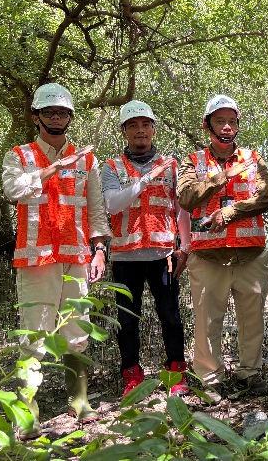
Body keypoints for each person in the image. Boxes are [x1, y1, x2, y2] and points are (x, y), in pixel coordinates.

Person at [2, 82, 112, 437]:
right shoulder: (19, 155)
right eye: (49, 112)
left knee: (77, 330)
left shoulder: (88, 160)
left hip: (77, 255)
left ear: (70, 118)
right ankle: (27, 417)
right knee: (34, 335)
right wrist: (53, 168)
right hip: (37, 260)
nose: (56, 118)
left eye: (62, 112)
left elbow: (96, 208)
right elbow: (14, 190)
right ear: (36, 117)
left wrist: (99, 249)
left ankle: (79, 402)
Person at [176, 94, 268, 402]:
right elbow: (186, 198)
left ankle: (250, 373)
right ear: (208, 126)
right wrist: (221, 179)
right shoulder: (192, 161)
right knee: (207, 320)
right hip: (208, 256)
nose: (227, 126)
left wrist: (230, 212)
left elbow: (265, 197)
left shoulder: (253, 158)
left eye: (232, 121)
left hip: (250, 254)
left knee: (252, 317)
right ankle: (210, 377)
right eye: (220, 121)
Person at [101, 100, 193, 397]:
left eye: (145, 124)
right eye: (133, 125)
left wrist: (185, 247)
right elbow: (112, 203)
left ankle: (176, 372)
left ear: (153, 128)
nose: (140, 130)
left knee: (170, 316)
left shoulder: (172, 166)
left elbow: (181, 210)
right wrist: (146, 179)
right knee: (126, 320)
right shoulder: (111, 167)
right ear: (125, 131)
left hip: (163, 255)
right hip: (125, 258)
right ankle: (131, 375)